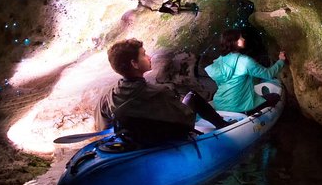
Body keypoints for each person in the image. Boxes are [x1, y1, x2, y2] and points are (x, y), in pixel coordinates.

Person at [95, 39, 230, 147]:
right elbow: (186, 120)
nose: (149, 57)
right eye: (143, 54)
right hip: (161, 139)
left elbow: (103, 126)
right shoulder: (158, 92)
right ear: (134, 64)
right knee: (192, 97)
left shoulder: (109, 95)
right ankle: (223, 125)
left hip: (132, 140)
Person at [205, 30, 286, 115]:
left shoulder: (219, 61)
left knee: (256, 96)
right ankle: (248, 113)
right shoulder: (245, 61)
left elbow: (219, 83)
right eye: (240, 37)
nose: (243, 39)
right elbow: (268, 74)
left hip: (219, 105)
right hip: (239, 107)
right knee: (275, 97)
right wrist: (281, 61)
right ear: (235, 42)